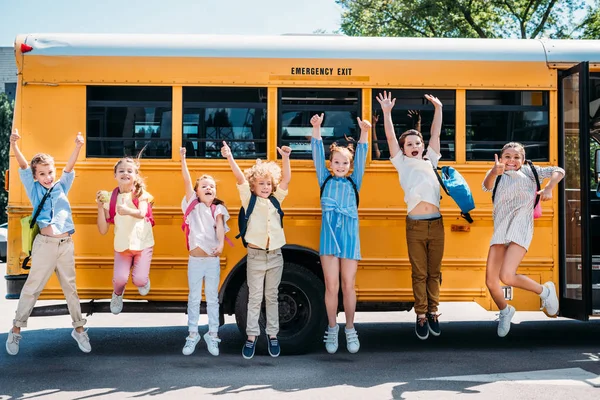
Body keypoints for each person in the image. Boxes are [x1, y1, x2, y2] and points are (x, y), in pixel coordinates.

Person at [6, 129, 91, 355]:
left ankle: (79, 329)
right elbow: (23, 167)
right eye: (42, 174)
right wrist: (14, 145)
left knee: (70, 290)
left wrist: (77, 147)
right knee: (32, 288)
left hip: (65, 245)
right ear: (36, 176)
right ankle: (16, 329)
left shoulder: (61, 187)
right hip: (45, 245)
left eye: (50, 172)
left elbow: (69, 169)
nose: (47, 177)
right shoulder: (33, 189)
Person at [376, 91, 445, 340]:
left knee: (434, 272)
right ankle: (421, 316)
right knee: (420, 273)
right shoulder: (402, 163)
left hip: (436, 224)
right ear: (403, 150)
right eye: (410, 145)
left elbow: (435, 133)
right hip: (415, 225)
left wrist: (438, 109)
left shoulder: (431, 160)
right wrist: (386, 112)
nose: (414, 147)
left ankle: (434, 312)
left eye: (417, 143)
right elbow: (390, 137)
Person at [482, 142, 564, 337]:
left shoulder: (529, 172)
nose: (512, 160)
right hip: (501, 229)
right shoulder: (497, 174)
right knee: (491, 281)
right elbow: (486, 186)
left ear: (523, 159)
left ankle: (545, 291)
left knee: (507, 276)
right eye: (507, 156)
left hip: (521, 228)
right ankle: (505, 310)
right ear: (501, 159)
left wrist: (549, 188)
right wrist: (494, 171)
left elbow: (559, 170)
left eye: (516, 157)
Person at [221, 141, 292, 359]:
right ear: (253, 185)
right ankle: (251, 337)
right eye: (261, 183)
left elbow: (287, 180)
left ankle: (272, 335)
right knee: (254, 298)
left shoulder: (275, 201)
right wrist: (230, 157)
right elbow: (239, 178)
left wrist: (286, 158)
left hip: (275, 256)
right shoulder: (248, 199)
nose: (265, 187)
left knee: (271, 297)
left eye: (268, 183)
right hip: (255, 255)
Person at [310, 113, 370, 354]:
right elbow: (316, 155)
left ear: (349, 165)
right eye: (337, 162)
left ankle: (350, 329)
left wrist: (364, 132)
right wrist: (316, 129)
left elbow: (363, 158)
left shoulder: (354, 182)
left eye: (345, 163)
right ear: (331, 163)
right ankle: (332, 328)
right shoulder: (324, 180)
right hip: (328, 239)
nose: (341, 166)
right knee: (331, 285)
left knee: (349, 285)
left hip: (350, 239)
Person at [179, 147, 229, 356]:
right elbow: (187, 181)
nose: (208, 188)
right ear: (197, 191)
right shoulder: (192, 205)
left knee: (212, 298)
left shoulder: (218, 208)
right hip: (195, 260)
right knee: (193, 298)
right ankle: (192, 334)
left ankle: (213, 334)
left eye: (212, 186)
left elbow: (219, 226)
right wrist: (183, 159)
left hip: (211, 260)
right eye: (204, 186)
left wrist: (221, 244)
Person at [96, 154, 154, 315]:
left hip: (143, 244)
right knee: (120, 280)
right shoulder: (111, 197)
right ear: (115, 175)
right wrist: (100, 207)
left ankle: (142, 278)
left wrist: (127, 210)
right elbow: (103, 229)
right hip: (122, 246)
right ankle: (117, 294)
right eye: (121, 170)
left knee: (139, 281)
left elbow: (142, 213)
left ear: (135, 176)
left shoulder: (141, 194)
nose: (125, 173)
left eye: (130, 170)